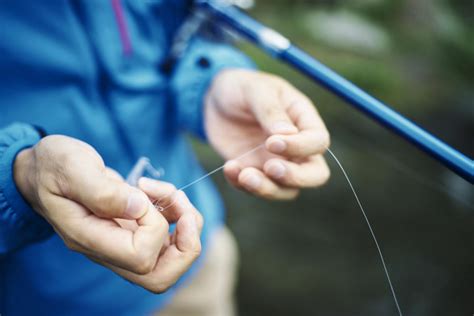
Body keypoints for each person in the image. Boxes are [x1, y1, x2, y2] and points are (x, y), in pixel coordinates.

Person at [0, 1, 330, 315]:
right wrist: (19, 174)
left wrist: (212, 78)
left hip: (202, 259)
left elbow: (184, 26)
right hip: (46, 300)